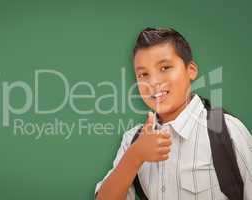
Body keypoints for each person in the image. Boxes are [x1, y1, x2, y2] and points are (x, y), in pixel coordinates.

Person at [95, 27, 252, 200]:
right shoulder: (133, 141)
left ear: (190, 70)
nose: (153, 82)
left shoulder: (227, 131)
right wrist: (135, 156)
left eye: (165, 67)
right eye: (143, 74)